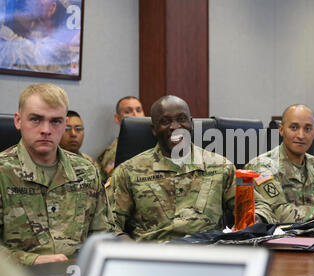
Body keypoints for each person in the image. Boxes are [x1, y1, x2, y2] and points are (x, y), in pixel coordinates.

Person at [0, 83, 113, 265]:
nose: (46, 129)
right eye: (36, 119)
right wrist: (32, 260)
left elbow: (103, 234)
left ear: (65, 124)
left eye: (55, 121)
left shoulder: (86, 171)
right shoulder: (3, 172)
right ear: (18, 121)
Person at [108, 95, 236, 242]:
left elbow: (248, 212)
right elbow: (109, 225)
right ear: (154, 129)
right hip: (153, 258)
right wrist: (136, 255)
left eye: (181, 119)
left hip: (207, 255)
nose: (175, 127)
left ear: (191, 123)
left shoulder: (221, 166)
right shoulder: (128, 172)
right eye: (165, 121)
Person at [244, 104, 314, 224]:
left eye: (307, 129)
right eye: (294, 127)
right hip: (278, 241)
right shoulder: (263, 167)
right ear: (281, 130)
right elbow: (282, 216)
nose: (301, 135)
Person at [97, 96, 145, 182]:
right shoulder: (115, 151)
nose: (135, 115)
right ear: (117, 118)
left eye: (138, 110)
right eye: (128, 111)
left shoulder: (156, 143)